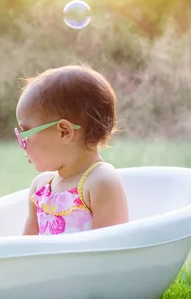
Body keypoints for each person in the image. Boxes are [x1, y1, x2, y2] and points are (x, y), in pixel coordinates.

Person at [14, 65, 129, 235]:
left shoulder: (100, 181)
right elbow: (24, 250)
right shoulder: (40, 187)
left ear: (64, 132)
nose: (21, 142)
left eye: (25, 132)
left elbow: (111, 249)